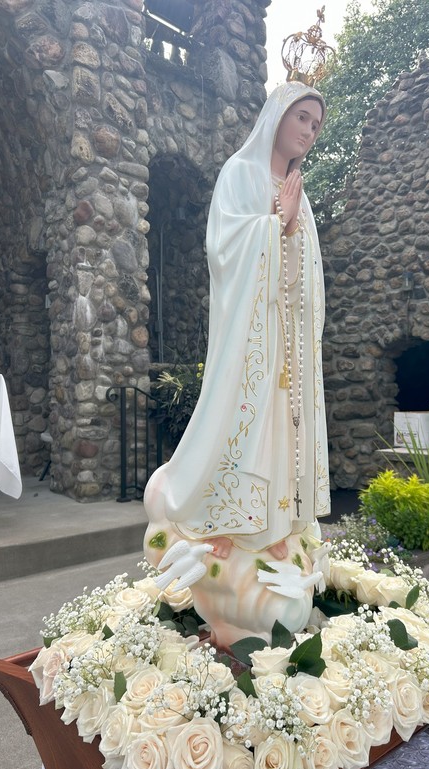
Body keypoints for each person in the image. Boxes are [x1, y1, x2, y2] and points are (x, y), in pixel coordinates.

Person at [143, 81, 330, 646]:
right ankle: (225, 521)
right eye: (301, 117)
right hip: (249, 342)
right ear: (277, 115)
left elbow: (309, 275)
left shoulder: (298, 189)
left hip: (286, 341)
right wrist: (276, 225)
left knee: (281, 429)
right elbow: (224, 250)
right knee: (243, 424)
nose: (308, 131)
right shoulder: (240, 174)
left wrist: (294, 225)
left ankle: (275, 527)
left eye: (316, 124)